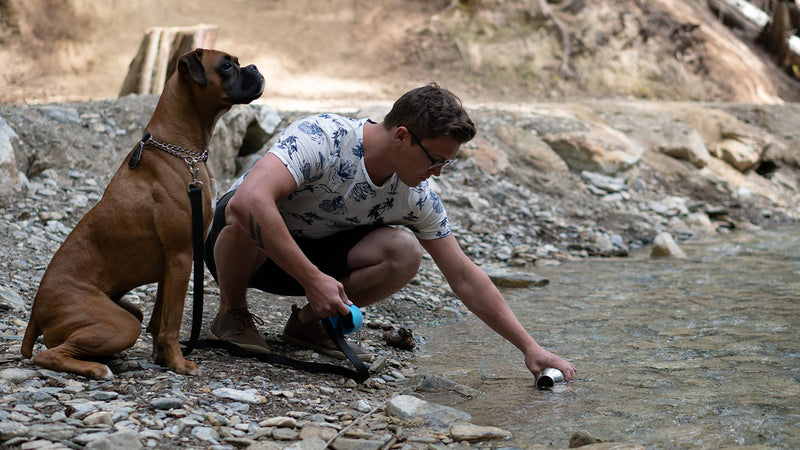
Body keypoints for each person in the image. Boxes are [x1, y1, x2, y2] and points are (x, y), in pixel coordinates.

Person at [204, 83, 576, 380]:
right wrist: (312, 278)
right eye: (435, 160)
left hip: (315, 266)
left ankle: (311, 326)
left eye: (447, 163)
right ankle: (232, 312)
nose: (439, 172)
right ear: (401, 136)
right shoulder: (323, 136)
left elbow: (463, 275)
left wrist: (529, 346)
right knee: (246, 213)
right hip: (241, 250)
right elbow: (247, 201)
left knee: (405, 250)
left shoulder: (415, 193)